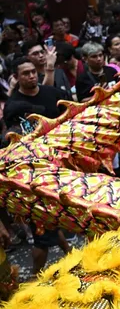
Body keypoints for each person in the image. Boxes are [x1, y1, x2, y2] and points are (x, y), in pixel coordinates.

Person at [4, 57, 72, 273]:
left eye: (33, 71)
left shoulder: (51, 93)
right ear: (16, 77)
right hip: (33, 175)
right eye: (25, 73)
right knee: (43, 228)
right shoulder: (14, 105)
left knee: (52, 221)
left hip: (61, 164)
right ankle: (35, 276)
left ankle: (70, 253)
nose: (31, 76)